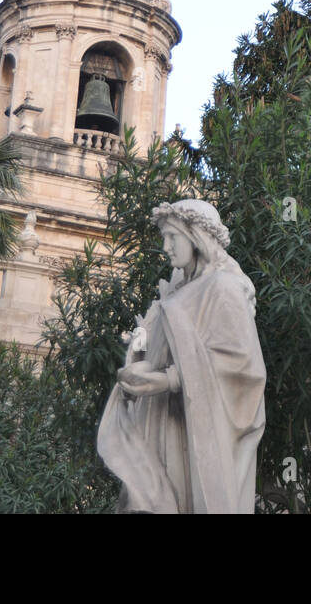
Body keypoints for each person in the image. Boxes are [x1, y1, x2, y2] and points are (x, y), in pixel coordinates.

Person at [97, 198, 266, 513]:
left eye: (173, 237)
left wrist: (169, 379)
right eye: (164, 237)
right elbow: (157, 352)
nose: (166, 246)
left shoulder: (223, 289)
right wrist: (138, 360)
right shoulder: (175, 295)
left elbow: (243, 366)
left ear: (196, 238)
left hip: (192, 432)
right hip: (159, 424)